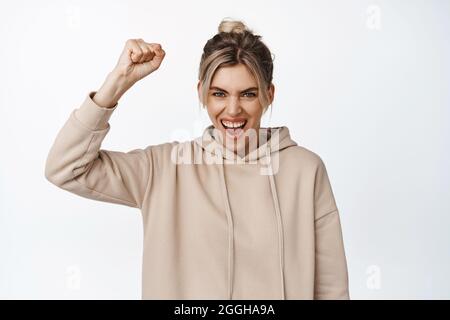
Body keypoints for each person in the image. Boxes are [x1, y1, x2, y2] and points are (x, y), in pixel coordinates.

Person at [45, 18, 350, 300]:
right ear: (201, 93)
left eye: (248, 94)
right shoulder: (163, 169)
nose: (233, 110)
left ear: (269, 94)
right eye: (219, 94)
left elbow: (331, 289)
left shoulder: (305, 170)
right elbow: (65, 169)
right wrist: (117, 82)